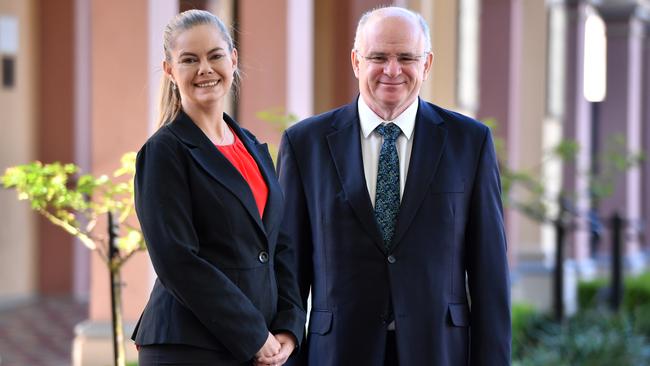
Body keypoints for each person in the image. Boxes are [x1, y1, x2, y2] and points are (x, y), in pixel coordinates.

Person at [277, 6, 510, 366]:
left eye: (406, 57)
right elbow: (288, 271)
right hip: (338, 352)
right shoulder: (305, 144)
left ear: (427, 64)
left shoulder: (470, 143)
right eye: (378, 57)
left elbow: (489, 274)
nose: (392, 70)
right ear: (356, 61)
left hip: (439, 351)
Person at [132, 9, 304, 366]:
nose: (205, 69)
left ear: (233, 59)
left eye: (215, 56)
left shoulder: (254, 148)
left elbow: (279, 245)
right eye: (189, 60)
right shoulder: (165, 151)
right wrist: (253, 335)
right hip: (191, 347)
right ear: (169, 70)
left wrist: (288, 325)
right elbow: (177, 260)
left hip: (262, 345)